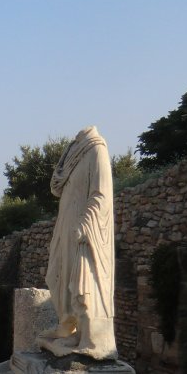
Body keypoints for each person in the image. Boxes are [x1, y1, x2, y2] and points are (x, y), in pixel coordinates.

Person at [41, 125, 118, 360]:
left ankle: (91, 338)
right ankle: (69, 327)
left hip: (85, 230)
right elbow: (56, 187)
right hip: (66, 227)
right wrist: (65, 156)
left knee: (83, 282)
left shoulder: (97, 148)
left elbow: (102, 193)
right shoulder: (73, 152)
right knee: (57, 276)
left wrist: (86, 225)